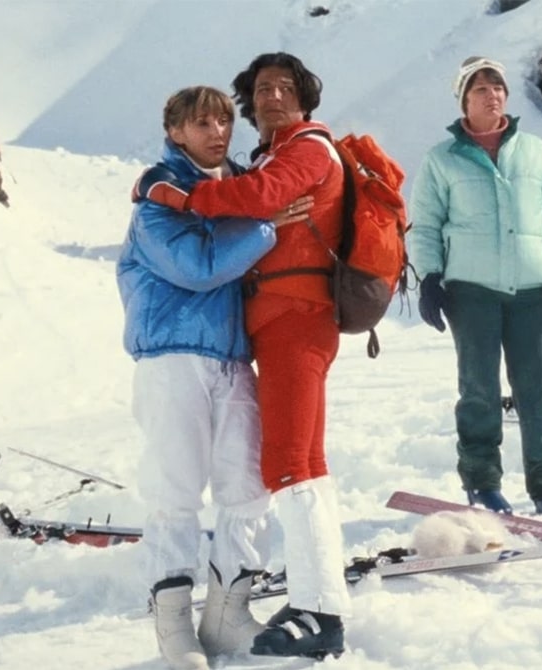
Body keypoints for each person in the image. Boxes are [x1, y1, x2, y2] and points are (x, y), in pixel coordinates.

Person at [140, 53, 351, 660]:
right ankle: (186, 624)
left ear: (306, 98)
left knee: (280, 472)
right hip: (194, 350)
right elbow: (203, 264)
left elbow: (260, 196)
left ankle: (301, 609)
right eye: (262, 88)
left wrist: (196, 199)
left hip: (281, 329)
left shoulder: (298, 153)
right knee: (216, 480)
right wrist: (222, 208)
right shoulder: (182, 186)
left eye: (286, 87)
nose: (273, 97)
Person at [119, 86, 301, 670]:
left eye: (223, 120)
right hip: (172, 356)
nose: (217, 131)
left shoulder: (235, 192)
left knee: (248, 484)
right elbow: (197, 269)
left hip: (231, 358)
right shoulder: (156, 201)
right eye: (202, 123)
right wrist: (266, 223)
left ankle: (227, 617)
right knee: (175, 489)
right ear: (175, 132)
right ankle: (173, 626)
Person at [408, 56, 542, 517]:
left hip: (530, 289)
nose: (492, 94)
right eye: (480, 88)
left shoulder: (535, 151)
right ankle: (482, 482)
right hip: (472, 290)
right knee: (479, 388)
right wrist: (429, 277)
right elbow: (424, 225)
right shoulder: (442, 160)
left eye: (498, 86)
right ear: (464, 100)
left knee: (537, 390)